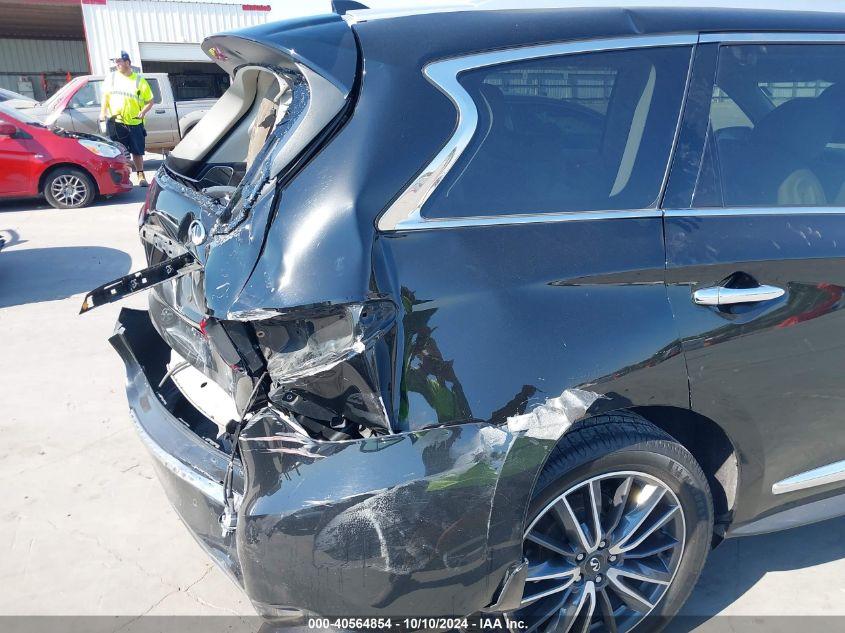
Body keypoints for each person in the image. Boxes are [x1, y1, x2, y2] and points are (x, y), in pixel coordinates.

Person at [98, 51, 153, 186]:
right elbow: (105, 98)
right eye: (115, 62)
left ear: (127, 62)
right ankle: (121, 178)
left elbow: (150, 101)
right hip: (117, 122)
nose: (117, 64)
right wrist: (103, 113)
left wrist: (143, 112)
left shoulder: (139, 80)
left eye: (119, 62)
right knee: (118, 152)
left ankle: (140, 175)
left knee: (137, 151)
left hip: (135, 122)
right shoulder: (111, 78)